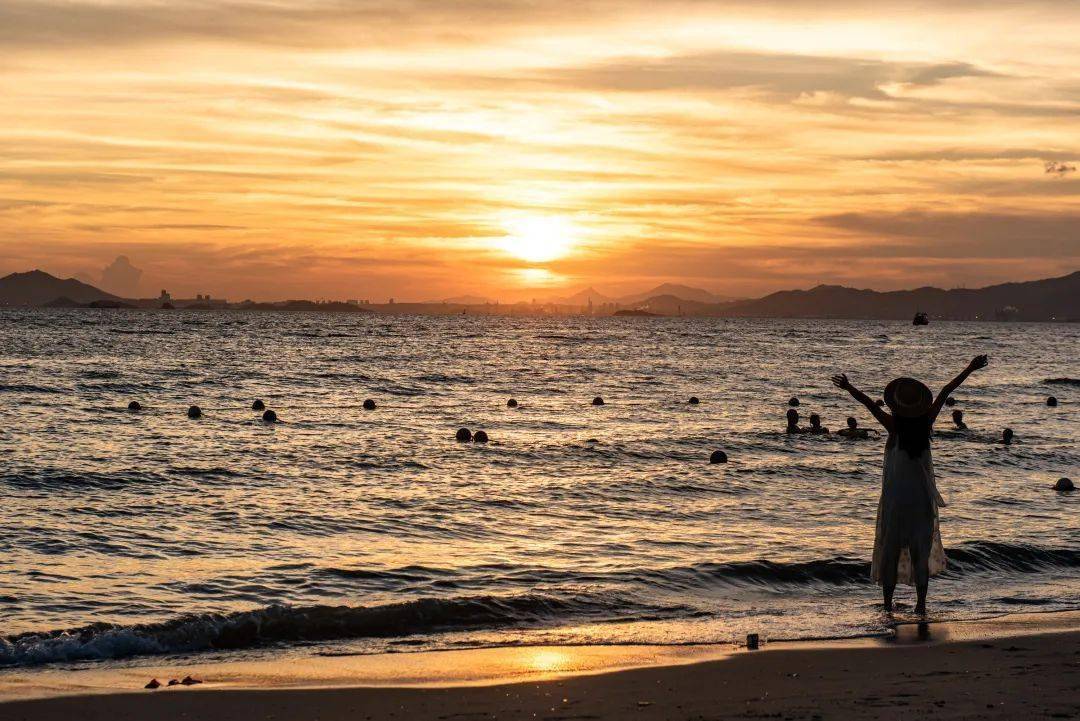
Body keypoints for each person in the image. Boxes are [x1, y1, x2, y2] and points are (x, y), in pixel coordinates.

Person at [831, 354, 988, 614]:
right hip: (921, 500)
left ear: (896, 405)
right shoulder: (926, 424)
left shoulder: (893, 426)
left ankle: (887, 604)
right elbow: (947, 389)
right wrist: (970, 368)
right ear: (920, 406)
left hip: (896, 501)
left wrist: (848, 387)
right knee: (920, 554)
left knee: (890, 551)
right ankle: (921, 604)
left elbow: (869, 404)